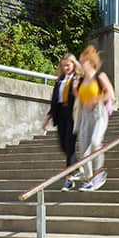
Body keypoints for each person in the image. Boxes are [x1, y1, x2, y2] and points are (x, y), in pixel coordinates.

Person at [74, 45, 114, 192]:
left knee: (96, 142)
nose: (80, 64)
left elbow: (111, 94)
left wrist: (98, 99)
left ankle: (99, 173)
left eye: (82, 61)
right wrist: (75, 91)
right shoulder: (80, 81)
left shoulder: (100, 77)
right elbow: (80, 99)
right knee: (83, 149)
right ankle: (89, 179)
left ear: (91, 62)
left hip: (99, 113)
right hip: (86, 115)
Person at [45, 53, 83, 192]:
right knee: (63, 145)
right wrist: (48, 117)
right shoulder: (60, 80)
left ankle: (69, 179)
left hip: (73, 113)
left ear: (74, 64)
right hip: (60, 113)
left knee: (69, 145)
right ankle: (79, 167)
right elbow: (54, 100)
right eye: (63, 65)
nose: (65, 68)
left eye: (68, 65)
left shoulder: (79, 79)